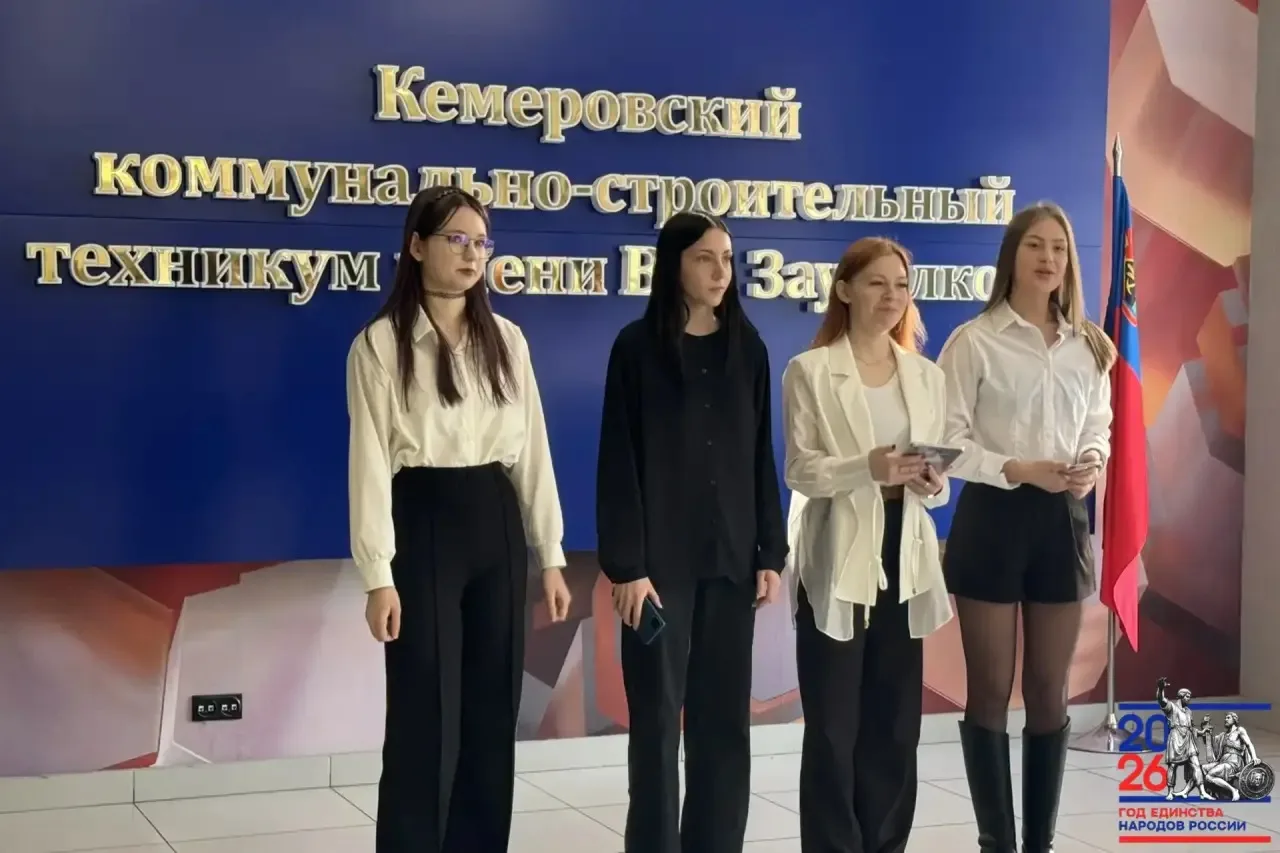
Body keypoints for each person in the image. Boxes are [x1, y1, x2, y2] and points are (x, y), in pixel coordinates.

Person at [346, 186, 573, 853]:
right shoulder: (380, 345)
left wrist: (550, 554)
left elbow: (533, 451)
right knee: (425, 712)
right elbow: (369, 464)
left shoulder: (507, 340)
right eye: (456, 240)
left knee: (491, 710)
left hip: (495, 520)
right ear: (417, 246)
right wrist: (377, 575)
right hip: (424, 522)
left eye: (481, 242)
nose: (472, 255)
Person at [595, 211, 788, 853]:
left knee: (724, 723)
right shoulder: (635, 349)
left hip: (731, 564)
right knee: (656, 724)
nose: (720, 271)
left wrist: (769, 551)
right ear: (673, 264)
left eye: (727, 259)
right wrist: (626, 566)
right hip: (657, 573)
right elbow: (618, 462)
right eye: (705, 258)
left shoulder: (748, 349)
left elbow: (760, 456)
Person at [938, 201, 1116, 853]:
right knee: (989, 689)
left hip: (1061, 520)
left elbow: (1098, 425)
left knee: (1049, 690)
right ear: (1012, 255)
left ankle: (1038, 842)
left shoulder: (1089, 345)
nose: (1048, 258)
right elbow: (947, 441)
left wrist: (1091, 459)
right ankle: (998, 842)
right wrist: (1015, 467)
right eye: (1036, 245)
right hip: (993, 514)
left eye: (1059, 248)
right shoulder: (974, 340)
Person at [781, 237, 953, 853]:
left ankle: (884, 843)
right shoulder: (810, 371)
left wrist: (931, 482)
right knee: (833, 724)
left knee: (895, 721)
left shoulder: (926, 376)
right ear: (845, 290)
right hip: (839, 551)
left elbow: (937, 481)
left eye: (901, 285)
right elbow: (801, 470)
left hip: (904, 549)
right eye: (877, 283)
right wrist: (867, 468)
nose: (891, 296)